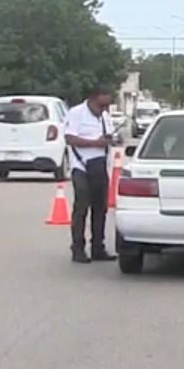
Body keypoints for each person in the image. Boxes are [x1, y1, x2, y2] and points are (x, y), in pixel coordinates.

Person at [64, 87, 119, 264]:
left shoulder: (105, 116)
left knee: (100, 208)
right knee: (81, 207)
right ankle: (78, 248)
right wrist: (96, 143)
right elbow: (70, 139)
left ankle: (98, 247)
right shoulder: (77, 113)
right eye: (103, 103)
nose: (105, 108)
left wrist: (112, 140)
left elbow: (109, 138)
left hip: (101, 166)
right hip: (81, 166)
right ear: (95, 97)